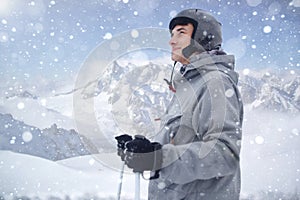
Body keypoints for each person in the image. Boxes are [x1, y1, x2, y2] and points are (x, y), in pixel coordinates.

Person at [115, 8, 243, 200]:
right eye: (172, 33)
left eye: (181, 32)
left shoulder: (215, 83)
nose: (171, 40)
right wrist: (145, 151)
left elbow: (225, 154)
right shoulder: (190, 85)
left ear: (203, 38)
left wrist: (160, 158)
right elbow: (180, 140)